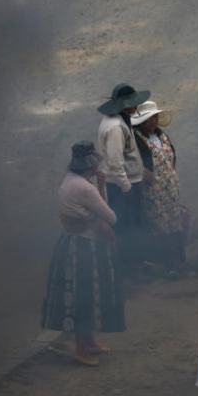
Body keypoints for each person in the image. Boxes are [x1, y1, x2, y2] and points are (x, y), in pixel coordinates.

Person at [41, 141, 124, 366]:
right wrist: (100, 188)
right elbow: (111, 217)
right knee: (86, 297)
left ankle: (88, 342)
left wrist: (100, 185)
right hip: (87, 248)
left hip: (70, 243)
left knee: (83, 295)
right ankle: (82, 348)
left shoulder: (69, 181)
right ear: (90, 165)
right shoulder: (85, 188)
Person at [97, 83, 150, 277]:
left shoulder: (118, 120)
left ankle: (132, 266)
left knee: (131, 226)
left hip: (123, 183)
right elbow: (115, 161)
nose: (135, 108)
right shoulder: (115, 128)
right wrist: (127, 187)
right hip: (121, 186)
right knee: (128, 228)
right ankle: (129, 270)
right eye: (131, 104)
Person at [131, 101, 186, 275]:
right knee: (159, 225)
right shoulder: (137, 139)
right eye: (149, 119)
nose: (153, 122)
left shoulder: (162, 136)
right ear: (142, 122)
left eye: (154, 118)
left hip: (170, 188)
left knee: (175, 222)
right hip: (153, 191)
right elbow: (134, 163)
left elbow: (171, 159)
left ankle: (178, 260)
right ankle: (167, 264)